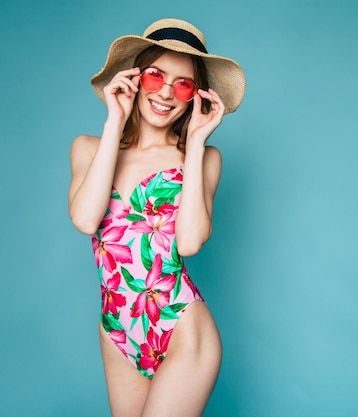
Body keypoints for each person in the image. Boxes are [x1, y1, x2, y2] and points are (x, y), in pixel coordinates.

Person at [68, 18, 245, 417]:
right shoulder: (87, 149)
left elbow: (189, 243)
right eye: (154, 76)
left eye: (182, 83)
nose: (166, 91)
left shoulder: (204, 159)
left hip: (182, 326)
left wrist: (197, 143)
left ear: (194, 96)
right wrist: (115, 121)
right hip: (116, 330)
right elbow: (84, 219)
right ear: (135, 78)